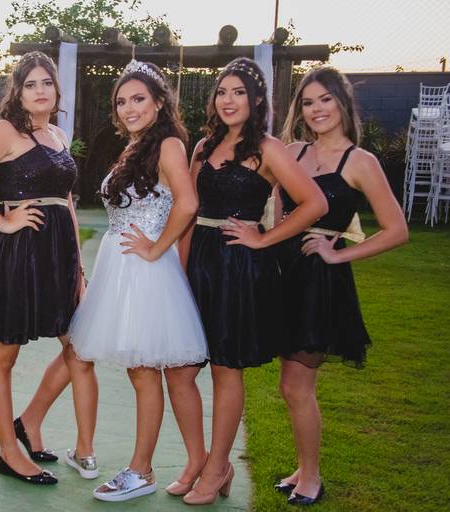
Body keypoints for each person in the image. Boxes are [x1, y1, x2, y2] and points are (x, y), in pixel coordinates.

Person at [177, 57, 328, 505]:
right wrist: (178, 273)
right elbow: (188, 213)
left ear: (257, 99)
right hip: (198, 262)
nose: (228, 100)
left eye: (239, 92)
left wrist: (264, 237)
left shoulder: (268, 148)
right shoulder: (203, 147)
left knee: (226, 367)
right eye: (222, 92)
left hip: (238, 267)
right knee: (180, 368)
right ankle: (198, 461)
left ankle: (217, 468)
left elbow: (314, 203)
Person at [0, 51, 97, 485]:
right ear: (18, 91)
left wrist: (78, 267)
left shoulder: (58, 135)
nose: (39, 91)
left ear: (56, 89)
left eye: (46, 83)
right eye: (30, 84)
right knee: (4, 355)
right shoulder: (4, 131)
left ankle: (31, 423)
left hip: (59, 256)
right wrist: (1, 221)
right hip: (18, 254)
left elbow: (66, 203)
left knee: (79, 348)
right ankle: (9, 453)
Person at [67, 60, 209, 502]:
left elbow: (187, 203)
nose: (129, 108)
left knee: (145, 372)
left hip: (145, 272)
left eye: (138, 99)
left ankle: (141, 470)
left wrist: (156, 247)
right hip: (121, 268)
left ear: (160, 102)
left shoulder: (167, 144)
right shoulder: (135, 147)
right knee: (139, 371)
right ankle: (148, 468)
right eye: (122, 101)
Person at [274, 66, 408, 505]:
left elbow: (396, 230)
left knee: (297, 385)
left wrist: (338, 253)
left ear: (342, 103)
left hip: (318, 282)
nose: (317, 110)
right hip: (285, 275)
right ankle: (302, 468)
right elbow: (272, 205)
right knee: (289, 384)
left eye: (325, 100)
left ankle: (311, 478)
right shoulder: (293, 152)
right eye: (308, 102)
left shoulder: (360, 162)